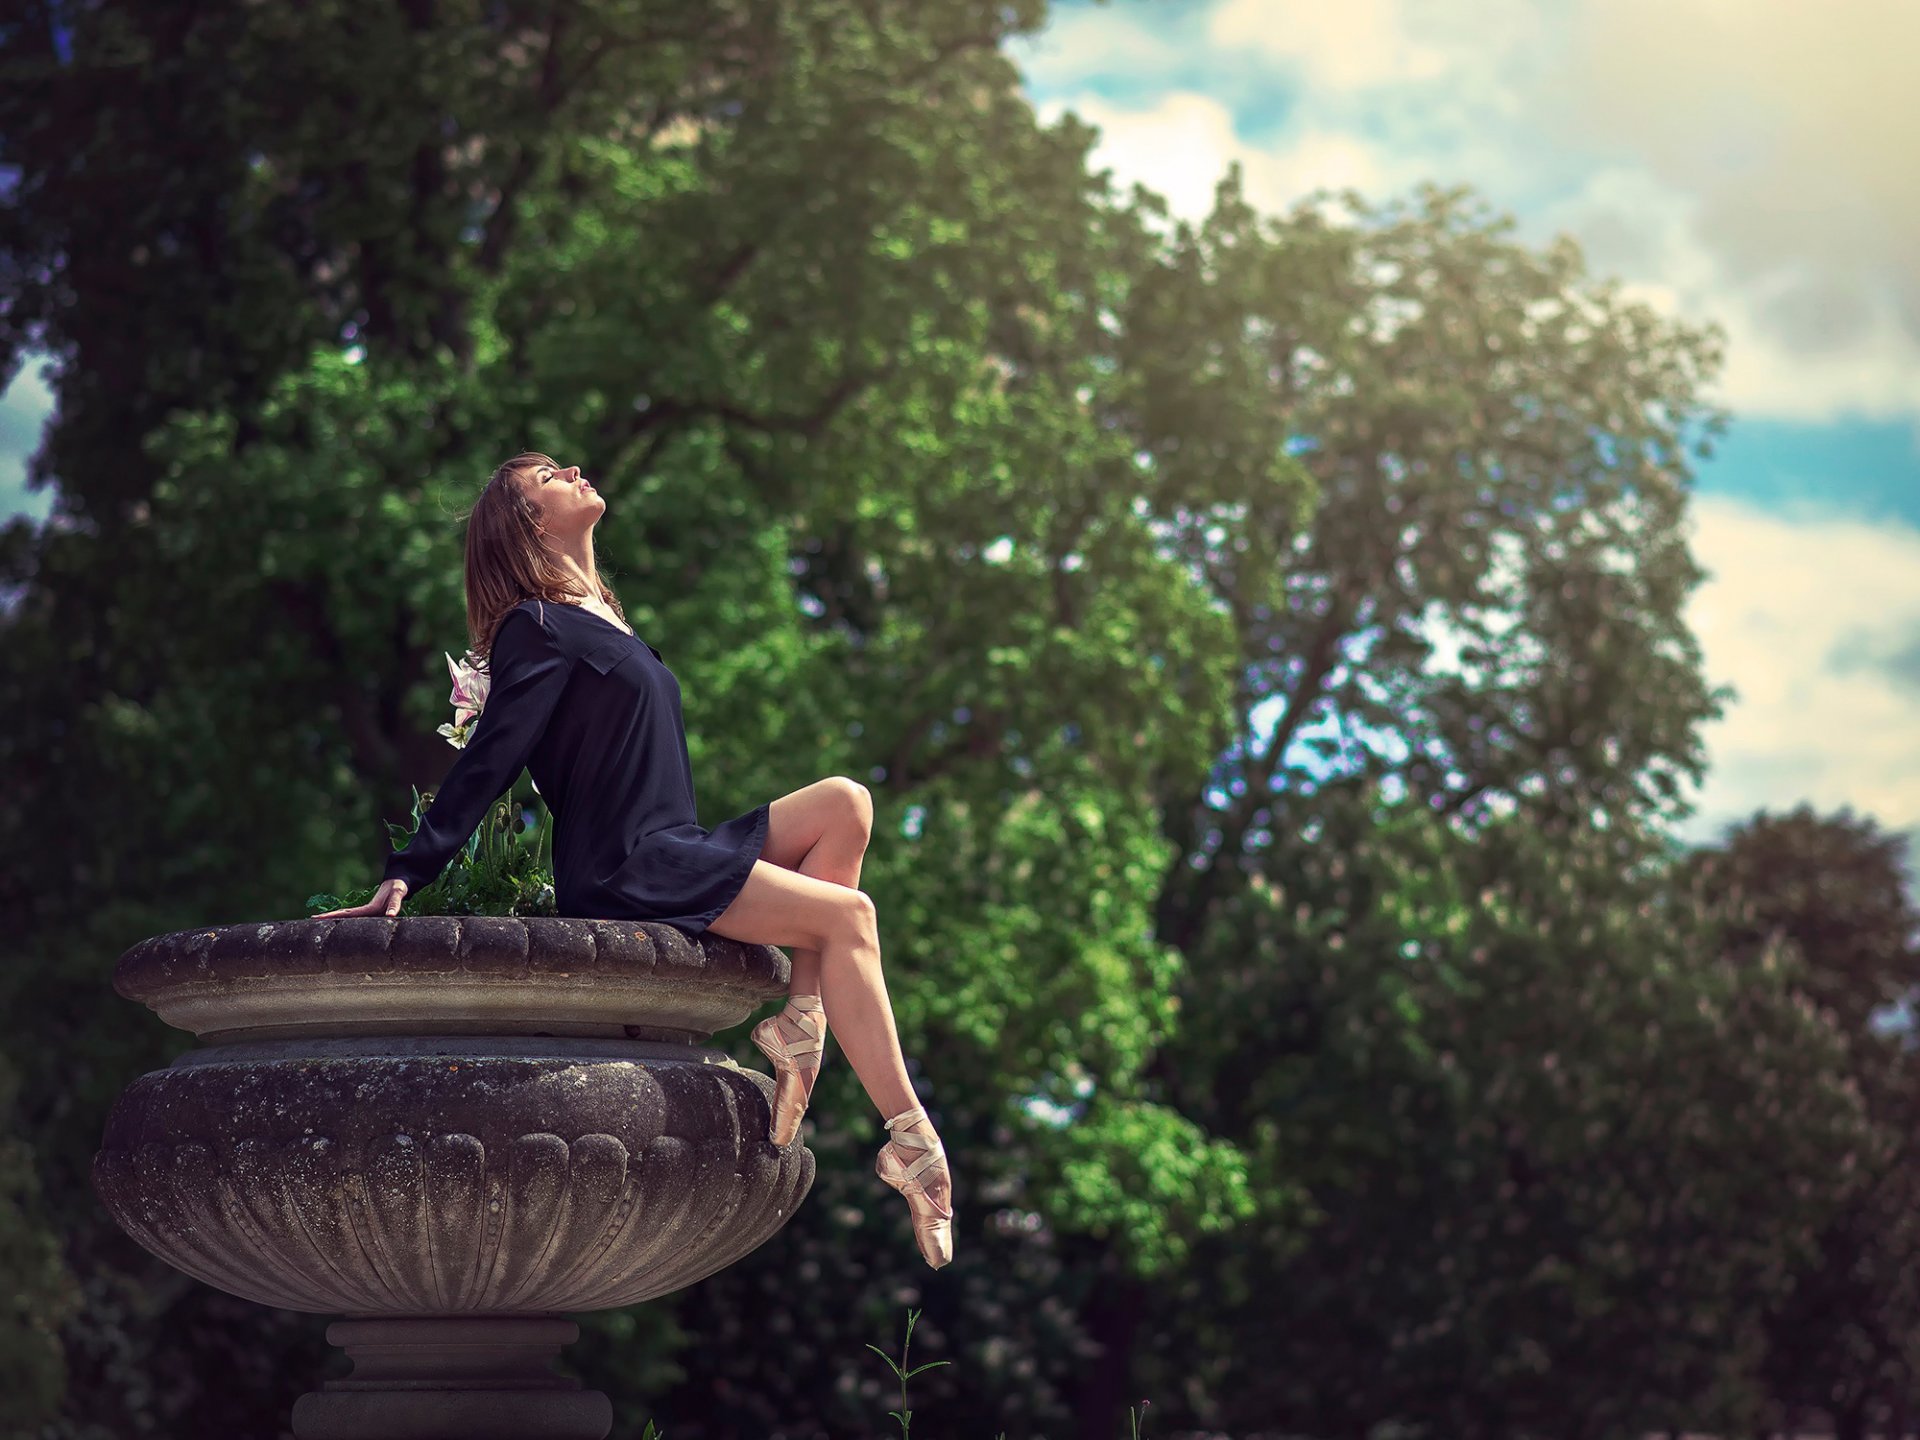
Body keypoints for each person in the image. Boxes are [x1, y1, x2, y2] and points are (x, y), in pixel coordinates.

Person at [314, 452, 953, 1268]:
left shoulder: (604, 618)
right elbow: (491, 757)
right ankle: (909, 1138)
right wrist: (411, 867)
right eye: (549, 475)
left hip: (674, 847)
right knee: (848, 917)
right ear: (530, 523)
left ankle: (802, 1020)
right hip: (627, 868)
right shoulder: (534, 628)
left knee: (846, 804)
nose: (575, 469)